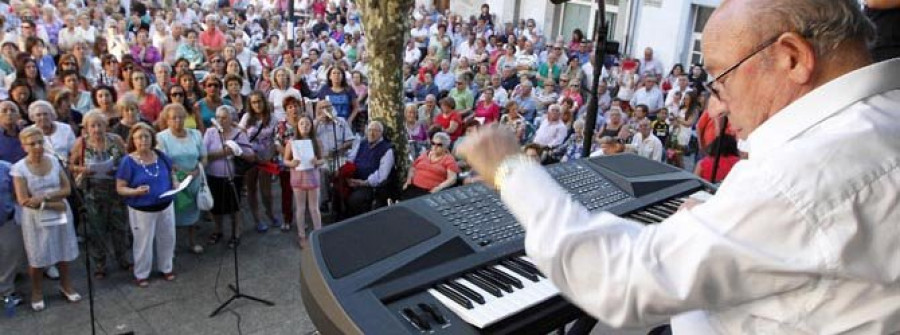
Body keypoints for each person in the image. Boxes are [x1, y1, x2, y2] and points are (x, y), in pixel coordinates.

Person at [455, 0, 900, 332]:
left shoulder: (800, 176)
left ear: (792, 57)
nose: (717, 109)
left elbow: (618, 278)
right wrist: (716, 221)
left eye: (721, 79)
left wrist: (510, 170)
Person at [12, 127, 81, 312]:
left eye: (40, 142)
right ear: (24, 146)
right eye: (32, 143)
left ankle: (66, 285)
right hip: (36, 219)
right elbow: (23, 199)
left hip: (60, 213)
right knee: (37, 256)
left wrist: (44, 198)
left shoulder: (54, 161)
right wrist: (53, 202)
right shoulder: (19, 168)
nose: (37, 146)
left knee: (63, 251)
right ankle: (37, 291)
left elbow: (67, 189)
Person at [68, 111, 131, 280]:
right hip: (93, 191)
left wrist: (117, 169)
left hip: (115, 188)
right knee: (97, 229)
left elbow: (127, 161)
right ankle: (100, 264)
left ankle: (123, 258)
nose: (96, 129)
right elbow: (70, 165)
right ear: (87, 128)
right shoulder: (81, 143)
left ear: (106, 126)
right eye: (92, 126)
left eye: (100, 125)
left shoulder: (116, 140)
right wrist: (83, 170)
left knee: (120, 226)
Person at [116, 123, 177, 288]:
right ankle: (141, 273)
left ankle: (166, 268)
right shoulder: (128, 161)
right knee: (143, 242)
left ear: (152, 138)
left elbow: (172, 171)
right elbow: (120, 187)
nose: (143, 140)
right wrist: (134, 192)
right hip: (142, 209)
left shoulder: (160, 155)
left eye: (146, 136)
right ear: (133, 141)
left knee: (168, 238)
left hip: (165, 204)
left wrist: (176, 183)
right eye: (138, 137)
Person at [156, 104, 207, 254]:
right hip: (175, 181)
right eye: (173, 118)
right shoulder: (161, 137)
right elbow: (163, 159)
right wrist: (182, 173)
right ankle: (171, 247)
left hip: (194, 178)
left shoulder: (196, 134)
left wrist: (197, 171)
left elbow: (204, 157)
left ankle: (192, 241)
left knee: (192, 213)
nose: (178, 120)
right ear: (167, 120)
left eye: (181, 117)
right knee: (173, 215)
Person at [203, 106, 254, 248]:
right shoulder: (210, 132)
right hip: (214, 175)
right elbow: (203, 155)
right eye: (218, 117)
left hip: (233, 177)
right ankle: (218, 230)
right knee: (216, 207)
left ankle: (236, 233)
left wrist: (237, 152)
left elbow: (251, 156)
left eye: (224, 117)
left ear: (231, 118)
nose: (221, 120)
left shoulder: (239, 134)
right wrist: (222, 153)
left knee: (234, 207)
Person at [282, 114, 324, 248]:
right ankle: (302, 236)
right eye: (302, 124)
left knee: (314, 208)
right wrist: (291, 163)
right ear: (297, 126)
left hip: (312, 177)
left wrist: (317, 161)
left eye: (307, 124)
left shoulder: (316, 141)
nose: (304, 126)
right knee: (300, 208)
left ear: (311, 126)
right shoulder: (292, 142)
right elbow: (285, 160)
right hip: (298, 177)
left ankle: (319, 233)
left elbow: (323, 159)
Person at [241, 90, 280, 232]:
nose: (257, 105)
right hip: (251, 158)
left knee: (266, 191)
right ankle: (257, 218)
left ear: (264, 102)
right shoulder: (246, 118)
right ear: (250, 104)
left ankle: (269, 212)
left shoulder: (273, 118)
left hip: (266, 158)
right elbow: (241, 137)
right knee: (251, 189)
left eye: (259, 101)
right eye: (254, 102)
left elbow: (277, 138)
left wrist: (272, 154)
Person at [343, 121, 394, 217]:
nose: (372, 133)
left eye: (375, 131)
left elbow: (382, 175)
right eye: (370, 130)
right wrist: (347, 177)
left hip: (369, 185)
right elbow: (351, 159)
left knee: (354, 199)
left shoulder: (387, 149)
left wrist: (362, 182)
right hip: (354, 180)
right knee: (338, 192)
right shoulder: (362, 143)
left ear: (381, 133)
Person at [402, 132, 460, 199]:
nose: (435, 147)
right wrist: (408, 180)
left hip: (430, 192)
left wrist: (439, 188)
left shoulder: (448, 159)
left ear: (445, 147)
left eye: (439, 145)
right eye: (433, 143)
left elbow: (452, 178)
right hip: (413, 187)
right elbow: (413, 168)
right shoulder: (424, 154)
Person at [0, 156, 25, 308]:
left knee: (9, 257)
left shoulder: (7, 168)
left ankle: (6, 292)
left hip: (6, 220)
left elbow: (16, 193)